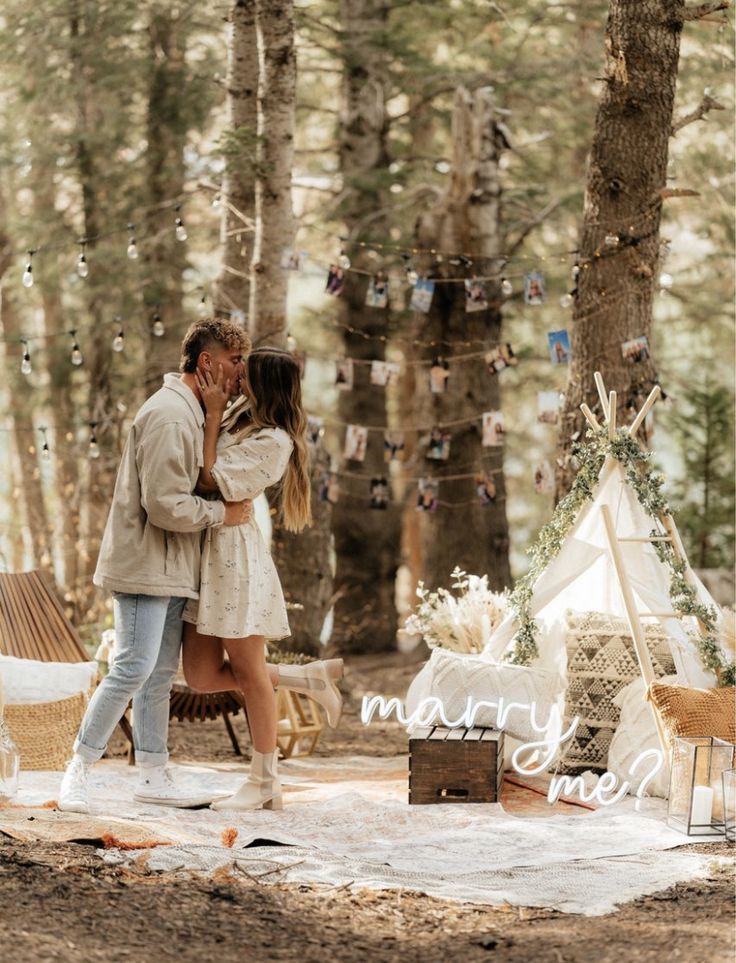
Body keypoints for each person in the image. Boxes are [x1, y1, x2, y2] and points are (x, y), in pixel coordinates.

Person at [59, 319, 252, 815]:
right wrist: (222, 514)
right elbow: (166, 504)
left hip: (172, 564)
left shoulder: (193, 412)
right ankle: (77, 770)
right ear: (206, 362)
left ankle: (152, 773)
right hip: (146, 562)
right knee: (133, 667)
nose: (240, 373)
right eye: (234, 362)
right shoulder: (169, 415)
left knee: (159, 674)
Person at [181, 347, 343, 812]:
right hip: (206, 548)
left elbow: (210, 479)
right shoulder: (240, 416)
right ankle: (305, 678)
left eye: (244, 374)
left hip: (232, 557)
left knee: (250, 674)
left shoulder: (275, 441)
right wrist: (217, 413)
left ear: (263, 385)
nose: (235, 378)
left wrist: (212, 416)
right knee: (201, 675)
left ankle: (264, 781)